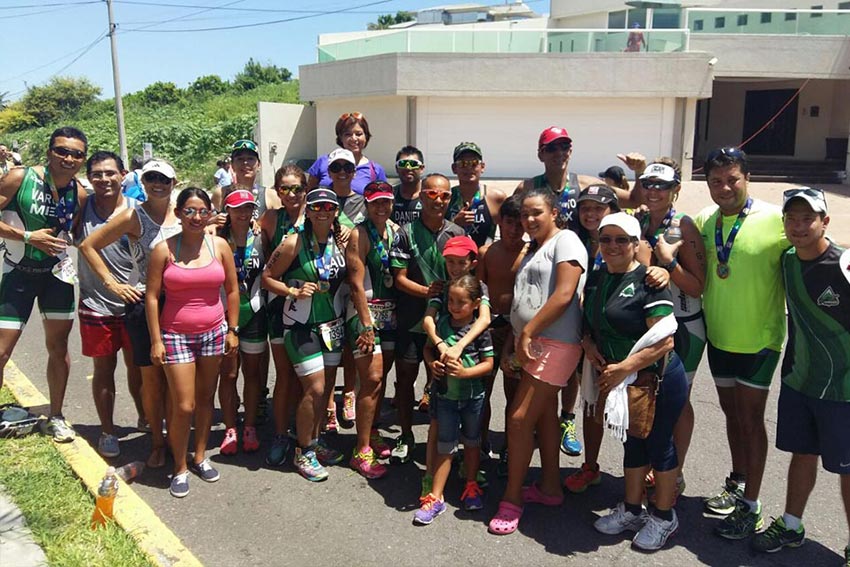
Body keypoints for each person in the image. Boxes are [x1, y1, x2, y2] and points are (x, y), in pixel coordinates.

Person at [693, 147, 789, 539]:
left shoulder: (776, 221)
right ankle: (738, 481)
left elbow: (819, 253)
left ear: (747, 177)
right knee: (732, 417)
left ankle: (751, 505)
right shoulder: (703, 221)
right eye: (716, 181)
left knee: (751, 421)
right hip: (719, 337)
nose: (725, 187)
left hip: (760, 341)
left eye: (732, 179)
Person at [752, 188, 850, 563]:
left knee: (848, 470)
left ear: (825, 221)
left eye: (807, 218)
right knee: (802, 454)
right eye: (791, 219)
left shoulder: (843, 264)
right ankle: (792, 525)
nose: (798, 226)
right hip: (800, 380)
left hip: (843, 390)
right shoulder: (788, 260)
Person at [583, 212, 685, 551]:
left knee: (659, 444)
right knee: (633, 442)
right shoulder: (596, 279)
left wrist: (623, 367)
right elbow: (588, 326)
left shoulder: (649, 281)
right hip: (623, 379)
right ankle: (631, 509)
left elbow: (665, 341)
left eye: (621, 240)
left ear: (635, 244)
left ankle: (664, 515)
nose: (612, 246)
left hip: (655, 379)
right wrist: (590, 347)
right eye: (606, 239)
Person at [488, 187, 587, 536]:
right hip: (531, 342)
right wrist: (515, 340)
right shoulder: (535, 248)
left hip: (556, 343)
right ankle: (549, 488)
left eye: (536, 213)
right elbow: (522, 299)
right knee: (544, 417)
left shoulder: (568, 241)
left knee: (517, 420)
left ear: (554, 213)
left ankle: (512, 499)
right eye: (525, 215)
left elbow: (563, 295)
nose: (529, 220)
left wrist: (527, 332)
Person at [79, 158, 182, 468]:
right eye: (151, 178)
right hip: (144, 304)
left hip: (179, 306)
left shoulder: (185, 214)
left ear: (173, 183)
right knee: (150, 379)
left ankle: (176, 438)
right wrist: (113, 283)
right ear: (143, 181)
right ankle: (157, 442)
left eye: (163, 179)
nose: (158, 184)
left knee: (177, 380)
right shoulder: (133, 216)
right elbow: (88, 246)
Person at [146, 187, 240, 498]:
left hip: (214, 331)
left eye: (202, 211)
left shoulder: (220, 246)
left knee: (204, 400)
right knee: (183, 405)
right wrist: (156, 340)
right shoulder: (164, 250)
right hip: (175, 335)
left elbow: (232, 290)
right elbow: (151, 297)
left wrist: (232, 329)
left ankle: (199, 457)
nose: (197, 217)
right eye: (190, 211)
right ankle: (179, 466)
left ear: (210, 213)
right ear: (179, 213)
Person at [0, 126, 87, 442]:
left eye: (76, 154)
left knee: (59, 348)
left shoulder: (78, 193)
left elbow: (73, 233)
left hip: (56, 278)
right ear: (49, 151)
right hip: (18, 274)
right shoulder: (20, 178)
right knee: (1, 351)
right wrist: (26, 236)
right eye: (61, 151)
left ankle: (57, 415)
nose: (68, 158)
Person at [261, 188, 348, 482]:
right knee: (315, 388)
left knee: (325, 388)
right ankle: (303, 450)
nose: (323, 211)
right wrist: (293, 291)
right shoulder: (294, 242)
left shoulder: (340, 239)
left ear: (336, 210)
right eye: (317, 206)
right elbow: (267, 277)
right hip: (300, 326)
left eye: (329, 206)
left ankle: (315, 438)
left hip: (331, 325)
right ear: (308, 211)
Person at [638, 160, 706, 503]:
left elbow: (697, 286)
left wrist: (670, 263)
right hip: (651, 322)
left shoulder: (684, 226)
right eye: (648, 183)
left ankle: (674, 472)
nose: (653, 191)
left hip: (685, 326)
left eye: (661, 186)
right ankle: (657, 464)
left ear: (675, 190)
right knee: (653, 397)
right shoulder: (638, 220)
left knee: (678, 401)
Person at [73, 151, 145, 458]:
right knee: (103, 368)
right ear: (89, 178)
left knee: (138, 368)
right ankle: (107, 430)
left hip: (133, 303)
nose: (104, 179)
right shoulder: (81, 208)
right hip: (95, 303)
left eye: (110, 173)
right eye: (97, 174)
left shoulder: (136, 210)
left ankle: (147, 417)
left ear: (124, 174)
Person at [389, 173, 465, 463]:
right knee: (406, 379)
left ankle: (445, 440)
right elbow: (398, 279)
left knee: (444, 384)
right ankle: (406, 434)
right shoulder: (405, 233)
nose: (439, 200)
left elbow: (468, 278)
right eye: (432, 194)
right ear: (422, 197)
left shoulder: (458, 233)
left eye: (445, 195)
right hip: (411, 320)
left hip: (448, 324)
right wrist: (428, 292)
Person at [415, 275, 494, 524]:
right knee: (445, 446)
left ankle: (471, 486)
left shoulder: (480, 332)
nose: (454, 306)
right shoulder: (443, 325)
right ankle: (436, 497)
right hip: (446, 397)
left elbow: (489, 365)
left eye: (461, 302)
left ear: (475, 304)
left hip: (473, 397)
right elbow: (428, 348)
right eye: (450, 300)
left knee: (472, 442)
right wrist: (432, 364)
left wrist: (465, 373)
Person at [345, 181, 398, 479]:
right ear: (366, 204)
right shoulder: (359, 233)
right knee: (372, 377)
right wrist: (366, 324)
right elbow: (355, 282)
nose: (381, 207)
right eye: (376, 202)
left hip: (389, 313)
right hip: (364, 313)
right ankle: (361, 449)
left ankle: (373, 431)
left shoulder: (394, 231)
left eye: (386, 202)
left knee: (380, 380)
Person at [260, 164, 307, 466]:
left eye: (297, 188)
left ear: (306, 189)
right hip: (279, 304)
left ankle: (306, 435)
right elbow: (264, 260)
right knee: (284, 374)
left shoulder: (320, 212)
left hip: (313, 307)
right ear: (277, 191)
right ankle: (280, 433)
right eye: (284, 189)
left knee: (308, 377)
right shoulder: (270, 218)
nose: (291, 194)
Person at [478, 195, 528, 476]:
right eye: (509, 223)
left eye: (519, 224)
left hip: (518, 330)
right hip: (488, 329)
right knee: (482, 392)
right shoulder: (487, 252)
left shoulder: (531, 254)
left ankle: (510, 445)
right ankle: (480, 441)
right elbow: (479, 291)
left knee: (514, 394)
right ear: (500, 222)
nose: (514, 230)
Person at [217, 189, 268, 456]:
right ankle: (229, 427)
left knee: (252, 372)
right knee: (228, 373)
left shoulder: (261, 236)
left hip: (255, 311)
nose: (243, 213)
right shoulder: (216, 238)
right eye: (237, 208)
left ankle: (249, 426)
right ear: (227, 210)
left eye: (248, 208)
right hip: (224, 313)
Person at [306, 112, 388, 195]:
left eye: (358, 134)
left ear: (366, 136)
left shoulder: (375, 170)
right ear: (340, 138)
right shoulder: (323, 162)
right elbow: (308, 196)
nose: (354, 138)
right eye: (348, 134)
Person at [447, 142, 506, 248]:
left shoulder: (496, 198)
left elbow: (507, 237)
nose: (468, 168)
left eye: (474, 163)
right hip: (453, 262)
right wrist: (454, 224)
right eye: (463, 163)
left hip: (485, 261)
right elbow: (434, 234)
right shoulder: (446, 197)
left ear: (482, 167)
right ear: (454, 168)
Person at [212, 139, 279, 224]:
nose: (245, 163)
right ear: (232, 165)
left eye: (250, 159)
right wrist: (212, 222)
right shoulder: (221, 194)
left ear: (259, 165)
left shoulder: (271, 196)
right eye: (240, 159)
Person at [325, 148, 366, 228]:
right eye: (336, 167)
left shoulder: (364, 204)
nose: (342, 172)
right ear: (329, 173)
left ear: (354, 172)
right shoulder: (322, 201)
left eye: (348, 167)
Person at [392, 146, 424, 226]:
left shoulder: (430, 195)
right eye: (403, 164)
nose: (408, 168)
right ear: (396, 168)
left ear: (422, 168)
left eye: (413, 164)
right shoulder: (390, 195)